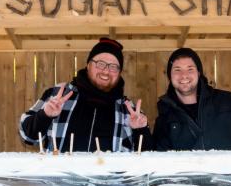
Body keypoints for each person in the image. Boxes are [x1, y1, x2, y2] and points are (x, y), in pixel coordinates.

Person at [20, 37, 152, 153]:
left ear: (119, 73)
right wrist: (45, 115)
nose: (106, 71)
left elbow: (145, 158)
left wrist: (140, 130)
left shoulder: (128, 110)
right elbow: (27, 136)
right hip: (60, 180)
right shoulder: (59, 96)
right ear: (88, 65)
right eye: (100, 64)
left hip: (109, 182)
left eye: (113, 67)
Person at [153, 48, 231, 151]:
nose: (184, 75)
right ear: (170, 75)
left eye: (190, 69)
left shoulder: (229, 102)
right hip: (188, 176)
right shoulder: (165, 114)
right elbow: (160, 161)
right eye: (177, 70)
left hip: (228, 176)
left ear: (199, 73)